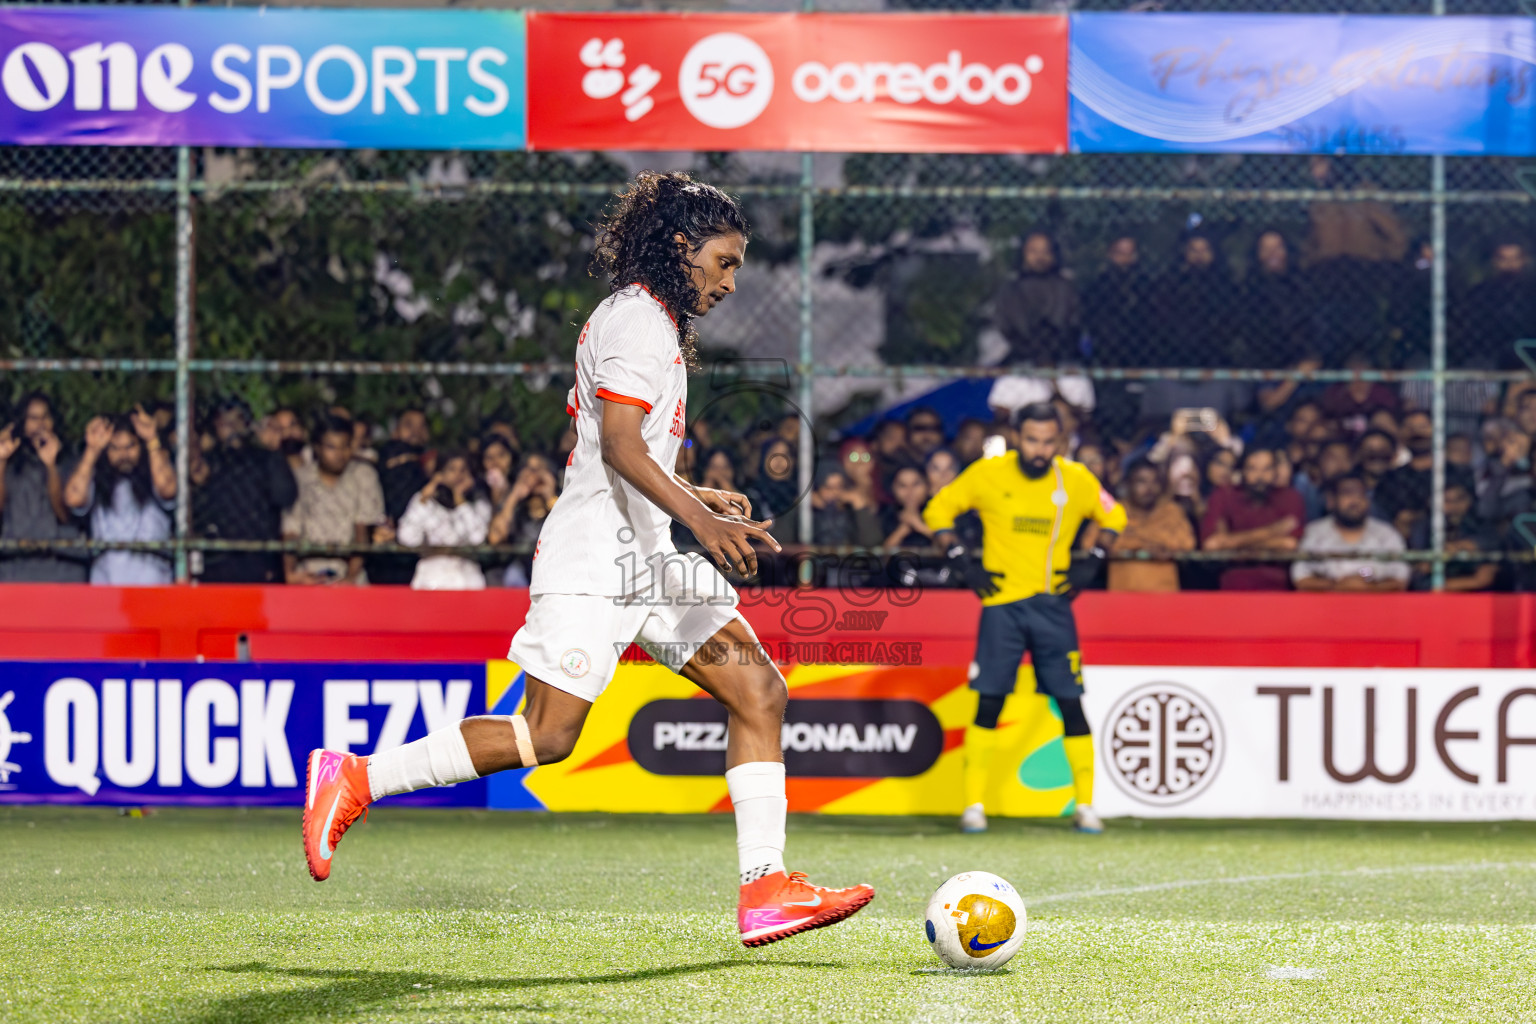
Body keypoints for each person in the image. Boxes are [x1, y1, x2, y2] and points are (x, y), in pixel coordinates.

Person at [301, 171, 874, 947]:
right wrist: (700, 517)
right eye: (726, 261)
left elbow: (628, 453)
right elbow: (618, 446)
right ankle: (359, 778)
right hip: (598, 557)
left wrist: (694, 491)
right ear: (682, 247)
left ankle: (766, 888)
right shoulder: (640, 321)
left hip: (646, 553)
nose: (733, 281)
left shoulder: (654, 321)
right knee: (548, 735)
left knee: (757, 692)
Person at [922, 402, 1125, 836]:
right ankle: (973, 805)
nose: (1040, 449)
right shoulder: (988, 474)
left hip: (1054, 607)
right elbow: (937, 511)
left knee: (1070, 702)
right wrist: (961, 560)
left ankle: (1085, 806)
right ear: (1017, 437)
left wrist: (1096, 558)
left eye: (1049, 441)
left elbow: (1115, 515)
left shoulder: (1076, 479)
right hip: (1002, 606)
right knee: (989, 701)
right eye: (1033, 440)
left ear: (1061, 440)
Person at [190, 398, 298, 584]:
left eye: (236, 419)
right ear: (215, 424)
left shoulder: (265, 458)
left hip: (260, 562)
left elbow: (286, 496)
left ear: (246, 423)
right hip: (217, 563)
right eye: (224, 421)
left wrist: (274, 451)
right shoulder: (210, 461)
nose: (230, 426)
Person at [64, 408, 177, 585]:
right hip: (106, 586)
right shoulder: (97, 480)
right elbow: (73, 498)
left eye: (130, 446)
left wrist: (152, 440)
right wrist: (92, 450)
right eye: (114, 449)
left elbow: (167, 489)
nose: (123, 455)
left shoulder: (154, 473)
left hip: (153, 585)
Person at [282, 415, 385, 585]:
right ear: (317, 447)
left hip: (350, 572)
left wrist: (350, 579)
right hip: (308, 572)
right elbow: (290, 532)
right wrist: (290, 574)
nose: (340, 454)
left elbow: (362, 531)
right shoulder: (300, 479)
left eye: (345, 447)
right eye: (331, 447)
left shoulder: (364, 475)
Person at [0, 392, 88, 582]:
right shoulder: (10, 463)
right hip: (15, 569)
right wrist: (1, 461)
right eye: (33, 418)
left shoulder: (70, 461)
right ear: (22, 424)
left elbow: (65, 514)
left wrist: (51, 466)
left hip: (62, 569)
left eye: (45, 417)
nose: (40, 424)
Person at [1200, 447, 1305, 591]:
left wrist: (1231, 542)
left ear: (1275, 471)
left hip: (1279, 590)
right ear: (1242, 471)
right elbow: (1212, 545)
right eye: (1252, 469)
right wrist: (1271, 532)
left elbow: (1289, 545)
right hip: (1232, 589)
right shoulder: (1224, 495)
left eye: (1267, 469)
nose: (1260, 476)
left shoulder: (1290, 498)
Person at [1291, 471, 1409, 592]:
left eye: (1360, 494)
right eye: (1347, 494)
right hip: (1326, 606)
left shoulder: (1386, 534)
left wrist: (1367, 586)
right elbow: (1301, 578)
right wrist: (1338, 585)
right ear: (1331, 500)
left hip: (1377, 606)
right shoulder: (1315, 532)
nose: (1355, 501)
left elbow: (1400, 579)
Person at [396, 452, 492, 591]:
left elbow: (478, 539)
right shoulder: (425, 501)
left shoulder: (478, 504)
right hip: (432, 580)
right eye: (452, 469)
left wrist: (460, 502)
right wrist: (423, 500)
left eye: (463, 470)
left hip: (467, 580)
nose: (458, 476)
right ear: (440, 473)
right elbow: (407, 538)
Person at [1108, 459, 1195, 593]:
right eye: (1141, 481)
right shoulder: (1113, 510)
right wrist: (1153, 544)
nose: (1149, 488)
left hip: (1164, 595)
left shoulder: (1171, 511)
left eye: (1155, 482)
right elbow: (1091, 543)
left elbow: (1187, 543)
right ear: (1128, 484)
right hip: (1122, 594)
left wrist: (1131, 535)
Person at [1411, 476, 1498, 592]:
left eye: (1460, 499)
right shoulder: (1424, 527)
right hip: (1436, 594)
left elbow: (1488, 566)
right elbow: (1422, 568)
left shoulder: (1481, 524)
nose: (1454, 505)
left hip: (1478, 595)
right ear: (1432, 502)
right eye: (1446, 500)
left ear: (1470, 499)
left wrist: (1459, 547)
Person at [880, 465, 934, 550]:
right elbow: (882, 555)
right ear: (893, 489)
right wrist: (903, 529)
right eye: (902, 485)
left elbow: (951, 546)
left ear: (927, 486)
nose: (910, 491)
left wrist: (919, 525)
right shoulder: (886, 514)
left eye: (916, 484)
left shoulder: (938, 511)